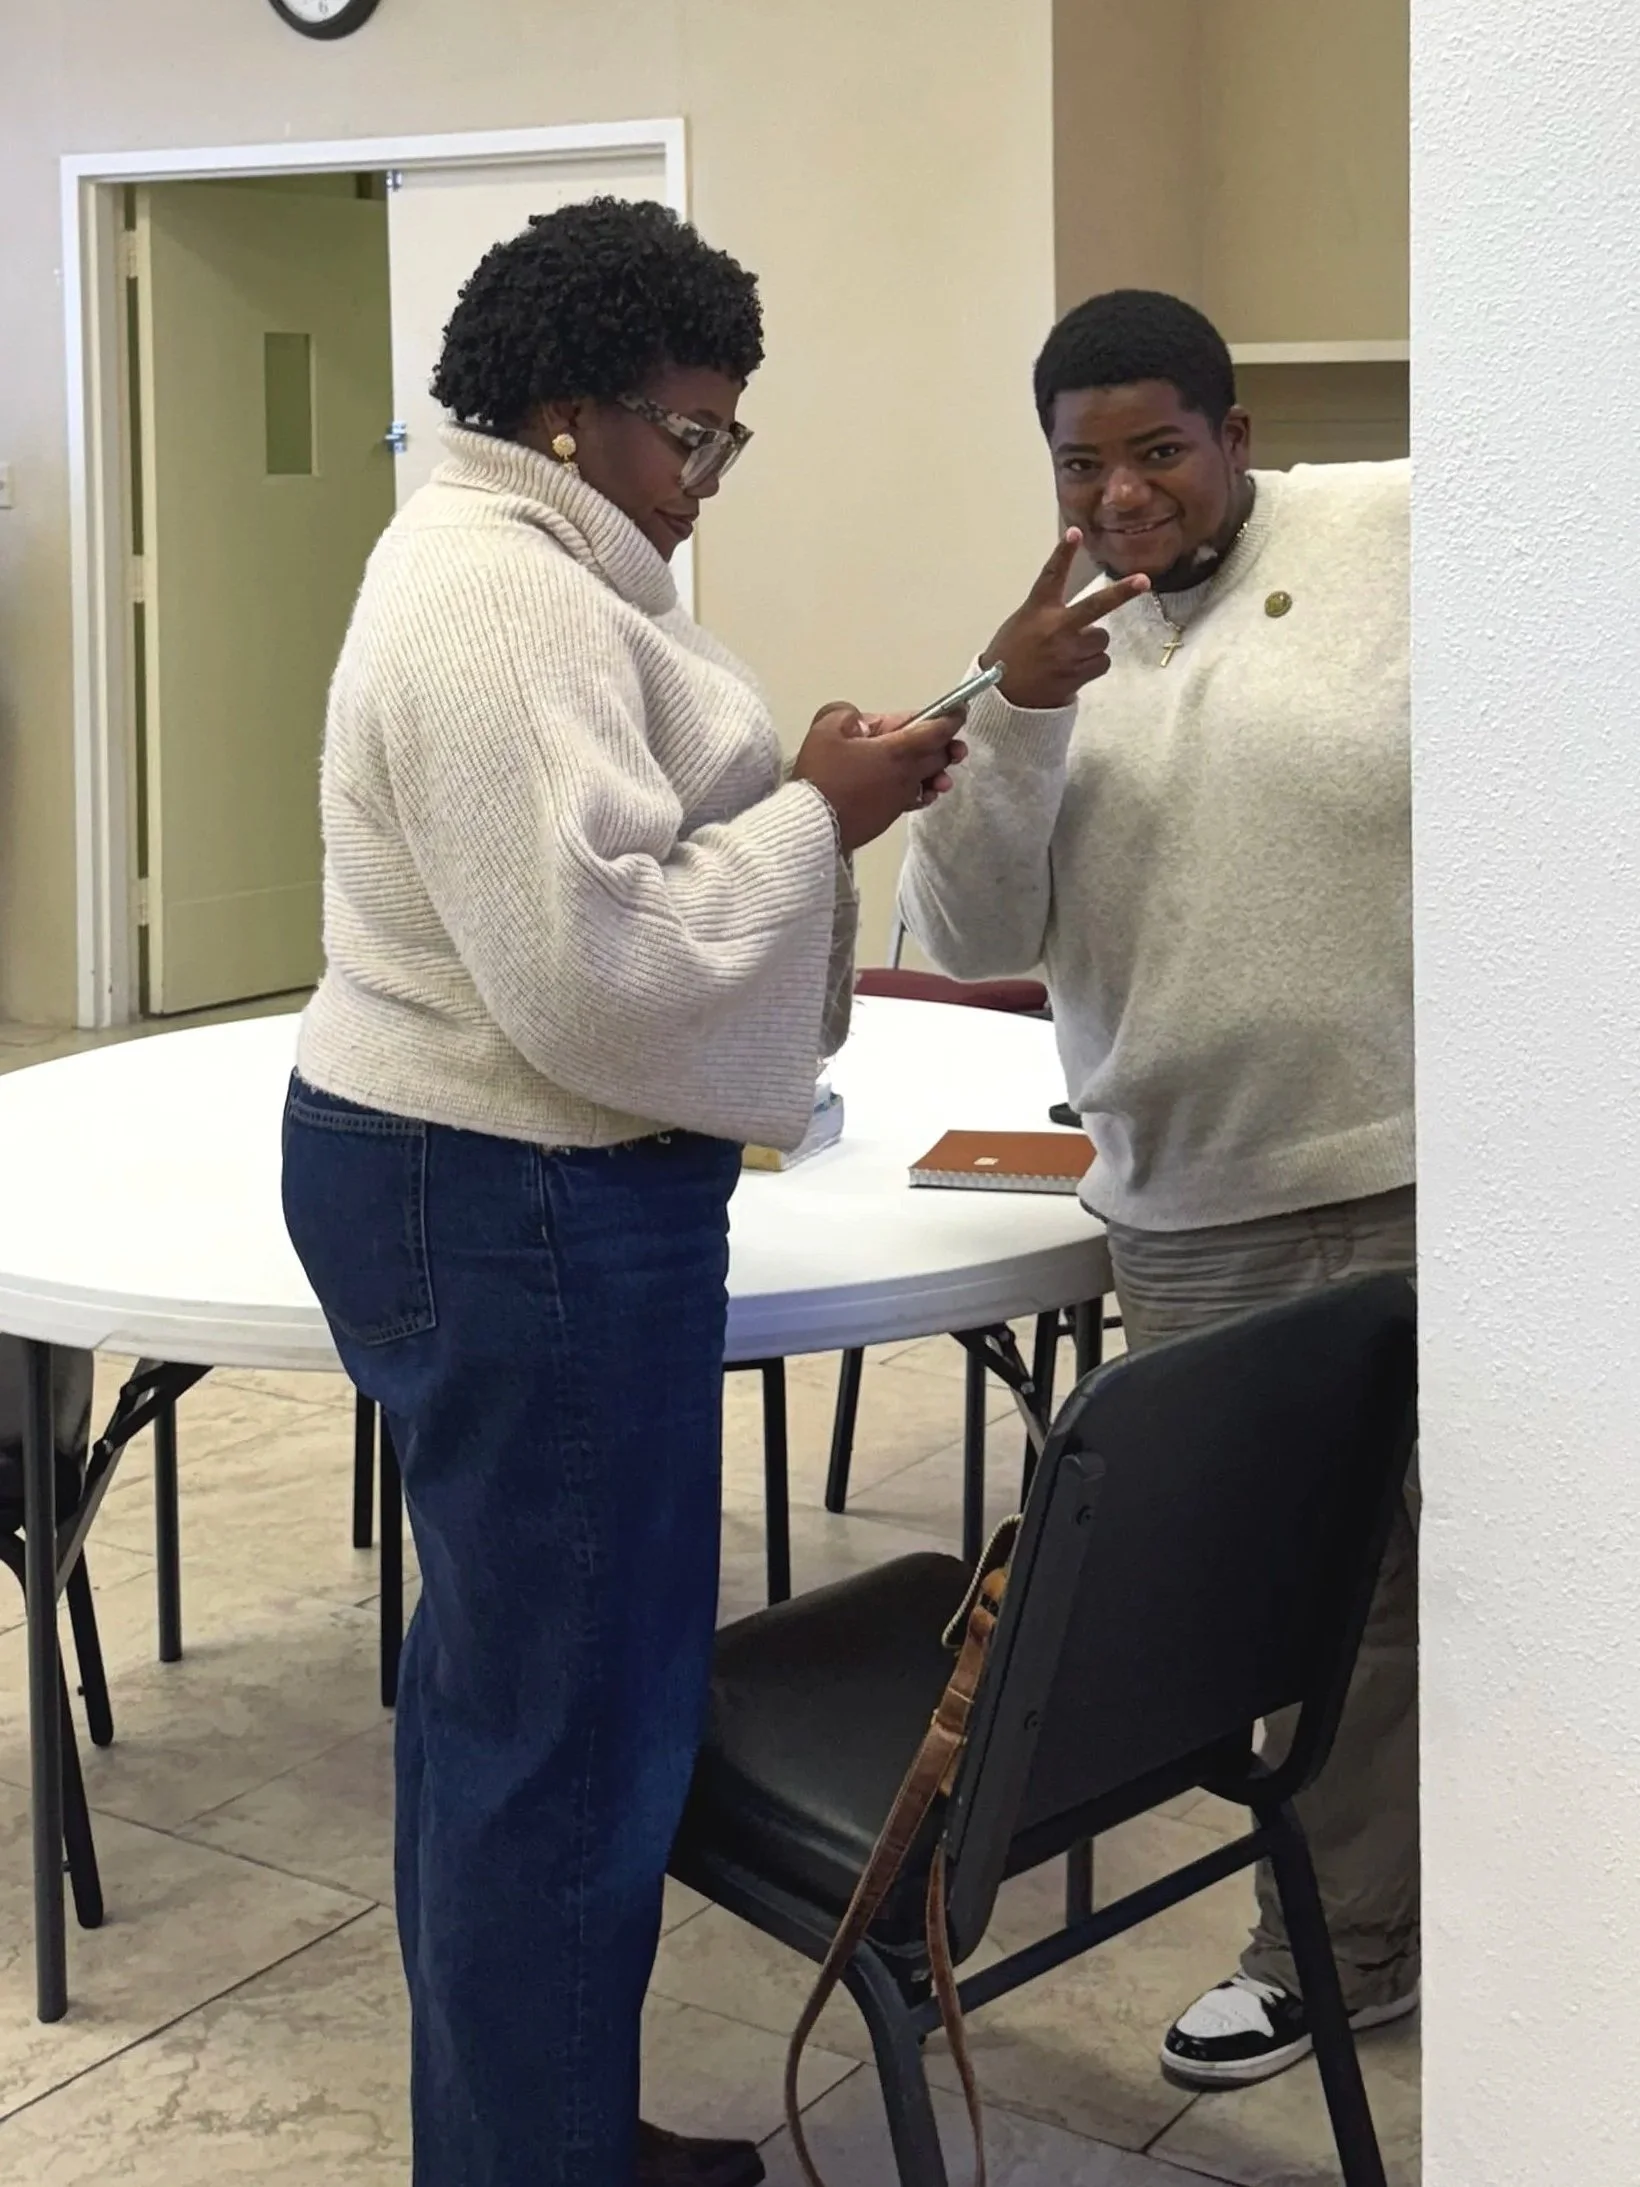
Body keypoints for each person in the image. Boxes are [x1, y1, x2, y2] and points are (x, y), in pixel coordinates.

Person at [280, 197, 964, 2187]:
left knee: (520, 1708)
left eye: (725, 430)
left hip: (504, 1178)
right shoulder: (496, 600)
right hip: (519, 1190)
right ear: (569, 413)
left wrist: (803, 794)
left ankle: (537, 2125)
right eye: (693, 428)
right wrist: (819, 815)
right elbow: (596, 973)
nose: (708, 471)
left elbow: (628, 859)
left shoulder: (545, 571)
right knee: (566, 1738)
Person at [898, 289, 1416, 2089]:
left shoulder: (1398, 530)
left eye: (1160, 452)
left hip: (1425, 1168)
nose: (1123, 494)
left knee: (1461, 1577)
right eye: (1082, 465)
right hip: (1189, 1202)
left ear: (1236, 436)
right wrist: (1014, 721)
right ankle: (1338, 1937)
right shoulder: (1040, 653)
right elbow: (968, 934)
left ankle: (1431, 1921)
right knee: (1280, 1602)